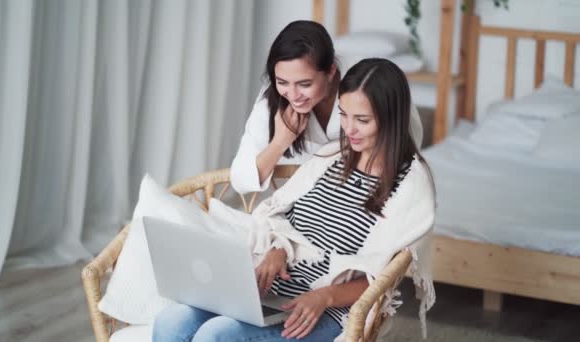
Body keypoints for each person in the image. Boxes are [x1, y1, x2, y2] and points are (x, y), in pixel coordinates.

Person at [152, 58, 436, 342]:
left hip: (328, 309)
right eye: (344, 115)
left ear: (391, 118)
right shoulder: (332, 158)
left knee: (217, 336)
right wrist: (278, 250)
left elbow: (383, 276)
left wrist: (324, 297)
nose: (349, 129)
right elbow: (282, 216)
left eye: (362, 120)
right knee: (172, 321)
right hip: (277, 293)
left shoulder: (410, 184)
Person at [230, 20, 425, 194]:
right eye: (282, 82)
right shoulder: (273, 101)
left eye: (305, 84)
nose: (293, 95)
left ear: (331, 71)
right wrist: (280, 142)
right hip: (307, 203)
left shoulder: (368, 84)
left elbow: (406, 152)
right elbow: (240, 180)